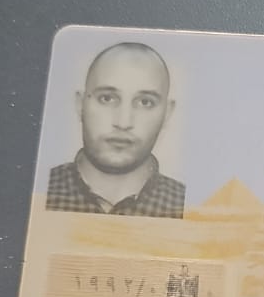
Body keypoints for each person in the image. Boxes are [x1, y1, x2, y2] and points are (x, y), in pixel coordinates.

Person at [46, 42, 185, 217]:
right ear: (80, 105)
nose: (123, 122)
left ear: (167, 114)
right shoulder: (41, 189)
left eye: (145, 102)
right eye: (107, 98)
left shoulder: (189, 205)